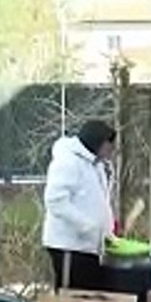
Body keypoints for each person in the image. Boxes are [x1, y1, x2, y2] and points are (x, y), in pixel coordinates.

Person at [42, 120, 118, 290]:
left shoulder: (95, 165)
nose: (111, 150)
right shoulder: (68, 162)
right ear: (96, 142)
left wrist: (107, 230)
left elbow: (97, 200)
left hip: (89, 246)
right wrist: (86, 225)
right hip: (69, 245)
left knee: (87, 295)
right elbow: (55, 200)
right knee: (71, 295)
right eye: (108, 145)